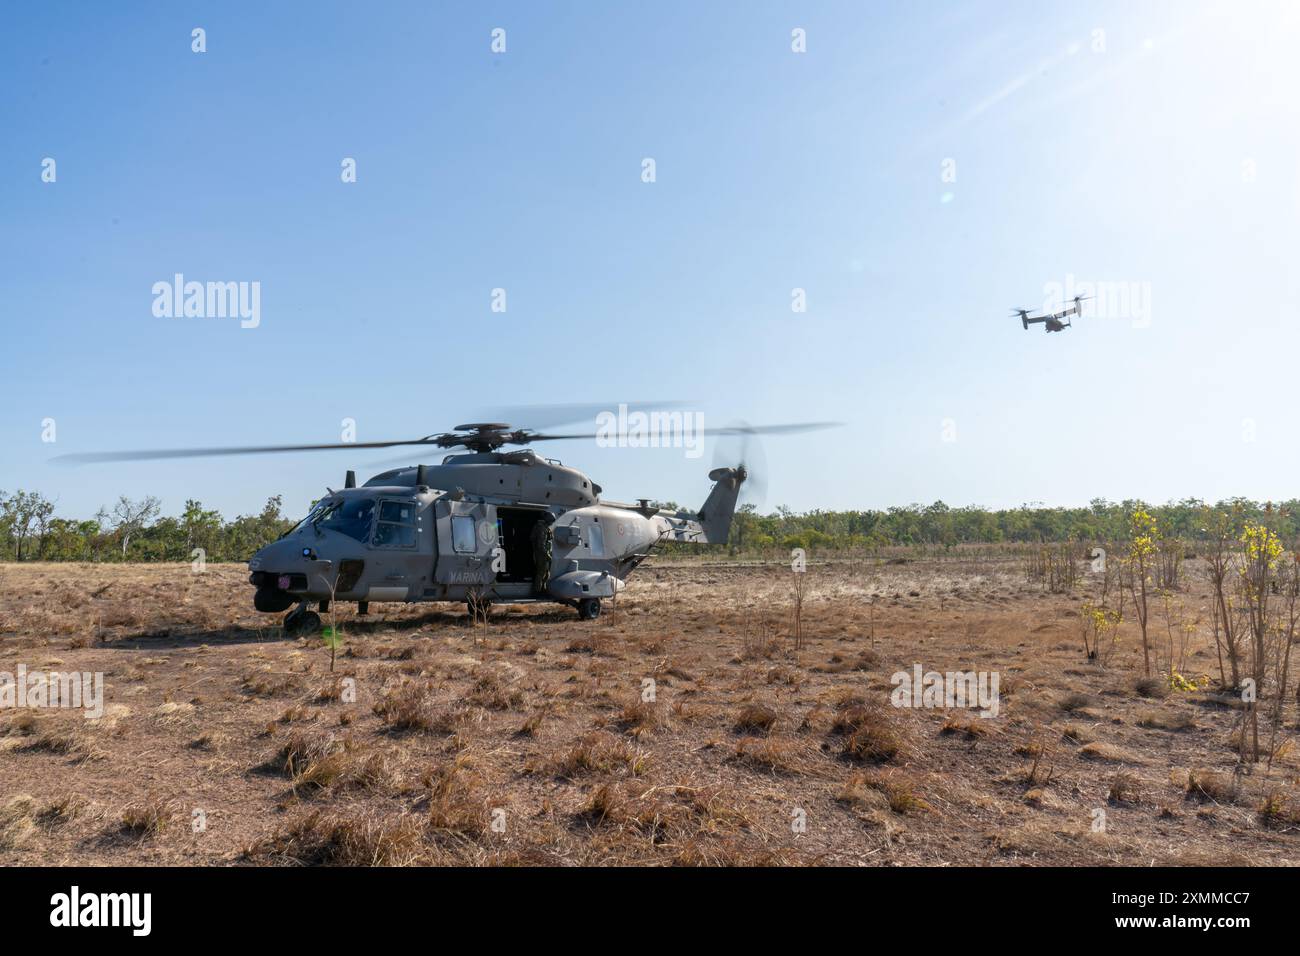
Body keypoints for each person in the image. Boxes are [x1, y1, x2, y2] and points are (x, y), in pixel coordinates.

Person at [530, 513, 554, 593]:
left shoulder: (543, 527)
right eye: (551, 521)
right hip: (541, 554)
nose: (552, 523)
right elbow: (541, 544)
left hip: (543, 553)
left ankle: (542, 589)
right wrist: (547, 554)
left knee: (545, 573)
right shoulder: (541, 528)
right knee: (541, 573)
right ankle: (537, 591)